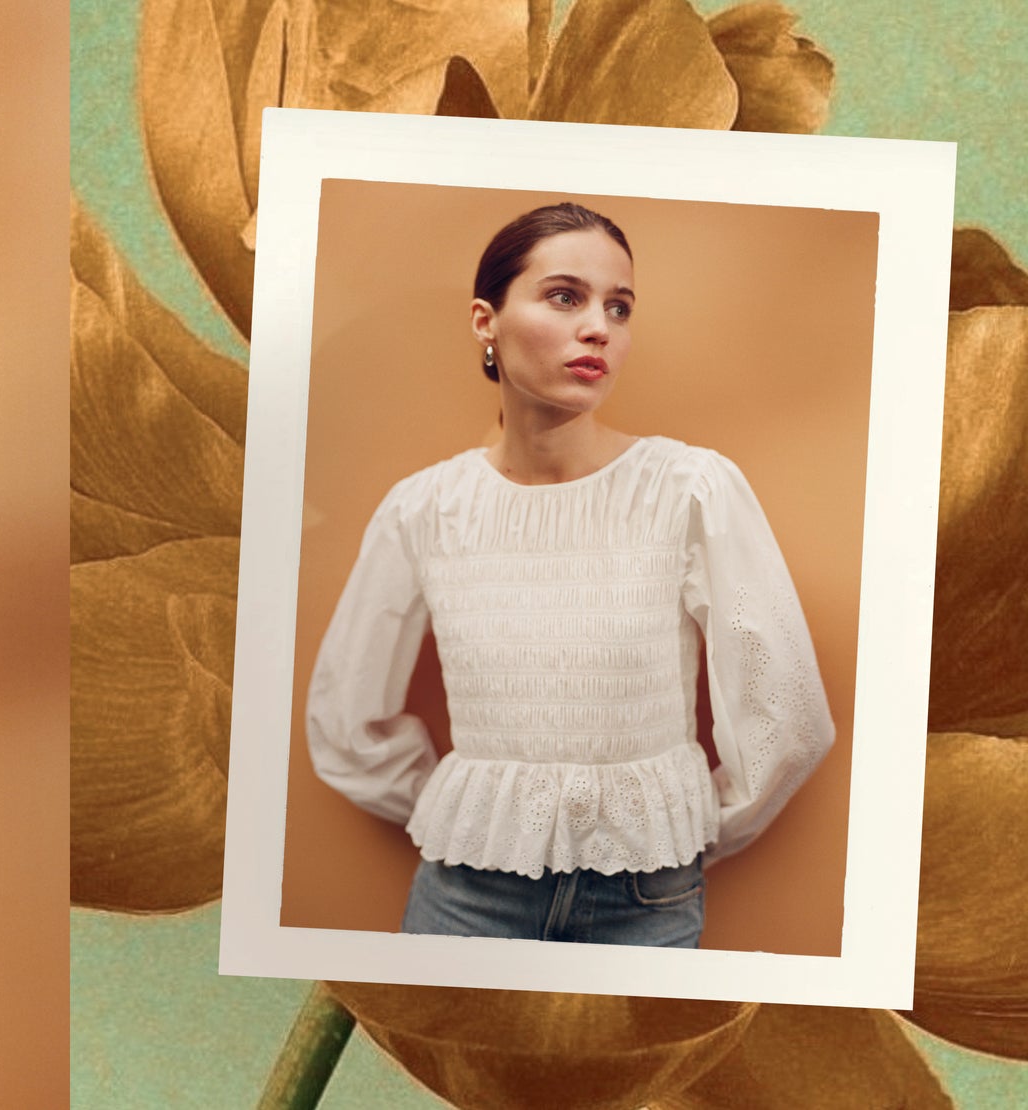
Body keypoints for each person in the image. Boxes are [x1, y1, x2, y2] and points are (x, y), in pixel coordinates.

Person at [305, 202, 835, 949]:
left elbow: (786, 713)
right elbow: (345, 717)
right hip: (465, 899)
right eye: (565, 297)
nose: (599, 329)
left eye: (619, 308)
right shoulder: (423, 509)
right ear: (486, 320)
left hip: (646, 902)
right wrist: (473, 809)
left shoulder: (690, 488)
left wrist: (679, 824)